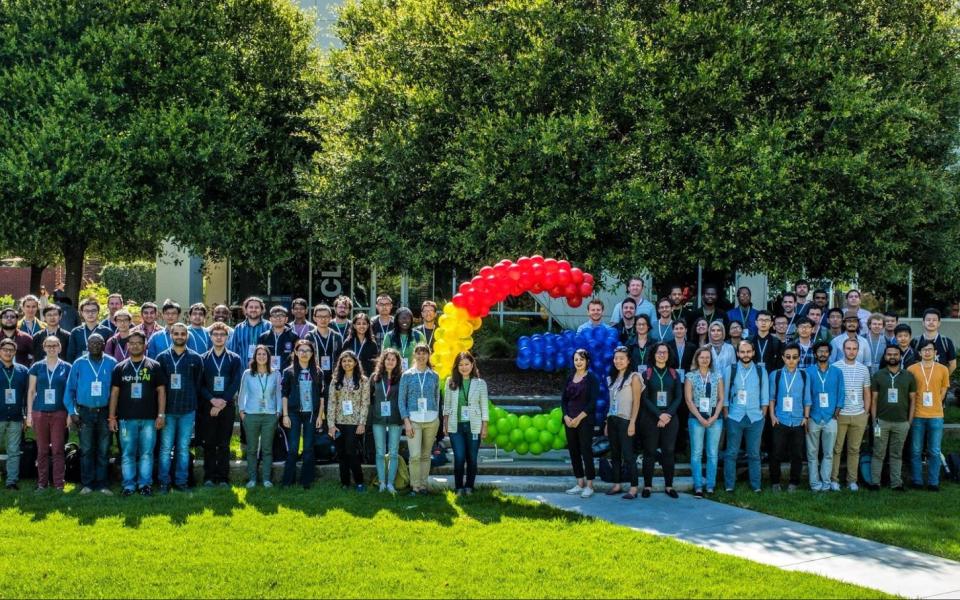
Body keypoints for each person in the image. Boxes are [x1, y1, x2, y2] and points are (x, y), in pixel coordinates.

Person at [108, 331, 166, 497]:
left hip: (149, 418)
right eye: (131, 343)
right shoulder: (120, 367)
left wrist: (161, 415)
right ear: (127, 346)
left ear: (145, 345)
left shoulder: (154, 366)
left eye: (139, 343)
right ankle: (128, 485)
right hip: (126, 419)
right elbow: (114, 394)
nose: (135, 345)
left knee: (147, 453)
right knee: (128, 453)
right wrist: (112, 417)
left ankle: (145, 485)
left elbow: (161, 391)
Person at [63, 333, 117, 494]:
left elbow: (117, 391)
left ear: (103, 344)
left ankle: (102, 484)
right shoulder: (79, 363)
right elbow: (69, 391)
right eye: (91, 343)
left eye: (98, 343)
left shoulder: (112, 363)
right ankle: (87, 484)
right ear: (87, 345)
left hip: (105, 412)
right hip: (84, 412)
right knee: (86, 449)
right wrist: (72, 412)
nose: (94, 346)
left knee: (103, 449)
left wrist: (114, 415)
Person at [155, 322, 203, 493]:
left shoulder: (196, 358)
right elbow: (158, 386)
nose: (180, 336)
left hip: (187, 410)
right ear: (171, 335)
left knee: (183, 448)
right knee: (166, 448)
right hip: (167, 410)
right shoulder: (161, 358)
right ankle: (164, 482)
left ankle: (181, 481)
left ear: (187, 336)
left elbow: (198, 383)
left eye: (183, 333)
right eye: (176, 333)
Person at [199, 322, 243, 487]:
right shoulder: (202, 358)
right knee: (209, 442)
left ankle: (223, 477)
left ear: (227, 337)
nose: (218, 337)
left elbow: (235, 382)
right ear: (210, 337)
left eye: (222, 335)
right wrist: (212, 400)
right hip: (208, 405)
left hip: (227, 405)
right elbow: (200, 384)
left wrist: (223, 401)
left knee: (224, 443)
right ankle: (209, 477)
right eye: (215, 334)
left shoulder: (234, 358)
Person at [723, 340, 769, 493]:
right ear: (737, 353)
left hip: (755, 417)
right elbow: (724, 395)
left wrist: (763, 413)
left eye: (748, 351)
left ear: (753, 352)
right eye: (742, 352)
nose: (745, 355)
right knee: (731, 453)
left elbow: (765, 395)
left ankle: (756, 485)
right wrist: (726, 414)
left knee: (754, 454)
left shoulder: (761, 370)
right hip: (735, 417)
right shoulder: (731, 369)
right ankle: (729, 485)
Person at [26, 336, 71, 491]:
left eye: (55, 345)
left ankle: (59, 483)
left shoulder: (67, 367)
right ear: (44, 347)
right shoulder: (36, 367)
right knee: (42, 449)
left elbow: (70, 392)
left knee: (58, 448)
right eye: (49, 345)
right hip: (40, 412)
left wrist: (70, 414)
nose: (52, 348)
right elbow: (31, 391)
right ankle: (42, 483)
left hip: (59, 412)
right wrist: (30, 414)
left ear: (60, 347)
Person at [869, 344, 916, 491]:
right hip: (881, 422)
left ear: (900, 356)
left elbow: (913, 400)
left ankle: (896, 483)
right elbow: (874, 400)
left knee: (896, 454)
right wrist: (874, 420)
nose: (893, 357)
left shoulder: (908, 376)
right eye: (889, 354)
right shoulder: (878, 375)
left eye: (896, 354)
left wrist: (909, 422)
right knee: (878, 453)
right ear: (885, 357)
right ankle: (875, 483)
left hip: (902, 422)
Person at [639, 343, 683, 498]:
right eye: (659, 352)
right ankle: (648, 486)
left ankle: (669, 486)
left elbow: (678, 397)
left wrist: (667, 415)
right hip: (650, 418)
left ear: (669, 355)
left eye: (665, 352)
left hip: (670, 418)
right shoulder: (647, 374)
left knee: (669, 452)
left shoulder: (674, 374)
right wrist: (659, 415)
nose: (662, 355)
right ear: (654, 354)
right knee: (649, 452)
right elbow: (644, 398)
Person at [443, 351, 489, 496]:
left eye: (466, 364)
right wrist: (445, 423)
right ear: (456, 366)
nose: (464, 367)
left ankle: (469, 486)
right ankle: (458, 487)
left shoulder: (480, 383)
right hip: (455, 426)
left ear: (472, 364)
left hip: (473, 426)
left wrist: (484, 426)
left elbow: (484, 407)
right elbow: (447, 405)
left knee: (472, 458)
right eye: (461, 365)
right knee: (459, 457)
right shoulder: (450, 381)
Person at [907, 338, 950, 491]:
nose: (927, 352)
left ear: (935, 352)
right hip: (918, 415)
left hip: (936, 415)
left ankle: (933, 482)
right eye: (924, 350)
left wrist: (936, 402)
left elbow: (944, 390)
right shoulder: (912, 369)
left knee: (934, 450)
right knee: (916, 450)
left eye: (930, 350)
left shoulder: (943, 369)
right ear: (919, 353)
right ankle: (917, 481)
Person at [398, 344, 441, 495]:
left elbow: (437, 397)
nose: (421, 356)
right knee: (415, 455)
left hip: (431, 420)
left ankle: (423, 485)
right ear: (414, 356)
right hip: (413, 421)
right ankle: (414, 486)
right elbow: (401, 400)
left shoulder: (434, 375)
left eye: (425, 353)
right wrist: (406, 422)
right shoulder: (407, 375)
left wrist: (436, 416)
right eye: (419, 353)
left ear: (429, 356)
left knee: (425, 455)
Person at [830, 337, 872, 492]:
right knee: (836, 448)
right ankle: (834, 480)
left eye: (854, 349)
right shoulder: (835, 367)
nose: (851, 351)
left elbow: (867, 392)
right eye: (848, 348)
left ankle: (851, 481)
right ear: (843, 349)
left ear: (858, 350)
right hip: (840, 415)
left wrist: (866, 413)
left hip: (859, 414)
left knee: (854, 449)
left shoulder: (863, 369)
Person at [281, 339, 323, 489]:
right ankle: (287, 481)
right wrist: (285, 415)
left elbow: (322, 395)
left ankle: (306, 481)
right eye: (301, 350)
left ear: (312, 354)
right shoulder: (289, 372)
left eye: (308, 351)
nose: (304, 353)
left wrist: (320, 416)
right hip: (293, 414)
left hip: (311, 414)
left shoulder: (318, 372)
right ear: (296, 353)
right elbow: (284, 395)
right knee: (293, 448)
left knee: (308, 448)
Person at [238, 345, 282, 488]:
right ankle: (252, 479)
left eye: (264, 354)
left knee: (267, 449)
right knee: (251, 448)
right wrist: (242, 411)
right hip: (251, 415)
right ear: (254, 357)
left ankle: (266, 479)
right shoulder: (247, 373)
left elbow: (278, 394)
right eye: (259, 354)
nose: (261, 357)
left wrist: (278, 412)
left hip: (270, 416)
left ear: (268, 357)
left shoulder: (275, 374)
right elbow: (242, 393)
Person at [768, 344, 810, 492]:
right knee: (776, 453)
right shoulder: (776, 374)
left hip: (798, 420)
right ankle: (775, 482)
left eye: (794, 357)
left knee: (797, 454)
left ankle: (794, 483)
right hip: (780, 419)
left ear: (799, 358)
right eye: (788, 357)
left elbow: (807, 399)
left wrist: (806, 416)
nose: (791, 360)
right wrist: (772, 415)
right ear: (783, 358)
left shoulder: (804, 375)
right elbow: (771, 398)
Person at [327, 350, 370, 491]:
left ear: (356, 362)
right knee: (342, 454)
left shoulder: (363, 380)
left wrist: (362, 423)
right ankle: (345, 482)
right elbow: (331, 403)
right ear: (340, 363)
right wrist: (331, 425)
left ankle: (359, 482)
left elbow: (365, 403)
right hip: (339, 423)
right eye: (344, 361)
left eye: (350, 360)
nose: (347, 363)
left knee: (352, 452)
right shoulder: (335, 380)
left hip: (355, 423)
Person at [805, 341, 845, 492]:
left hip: (830, 418)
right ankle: (815, 483)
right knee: (812, 453)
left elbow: (841, 393)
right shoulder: (808, 372)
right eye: (820, 351)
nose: (822, 354)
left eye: (825, 351)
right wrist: (807, 415)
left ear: (829, 353)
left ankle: (826, 482)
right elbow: (805, 395)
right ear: (815, 354)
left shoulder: (837, 372)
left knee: (828, 453)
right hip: (813, 417)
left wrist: (837, 412)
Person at [685, 346, 725, 497]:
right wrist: (701, 418)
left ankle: (710, 485)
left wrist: (715, 416)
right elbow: (689, 400)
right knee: (696, 453)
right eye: (702, 357)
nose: (705, 360)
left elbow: (721, 398)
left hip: (715, 418)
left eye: (707, 357)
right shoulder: (690, 376)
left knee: (712, 453)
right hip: (696, 418)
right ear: (697, 359)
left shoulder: (717, 376)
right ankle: (698, 486)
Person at [604, 347, 642, 499]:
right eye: (616, 358)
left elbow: (637, 403)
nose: (618, 361)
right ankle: (617, 484)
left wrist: (632, 423)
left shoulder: (634, 377)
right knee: (615, 454)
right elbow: (610, 402)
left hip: (626, 420)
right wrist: (607, 422)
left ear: (628, 360)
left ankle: (633, 487)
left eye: (621, 358)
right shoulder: (612, 378)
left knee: (628, 455)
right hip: (613, 420)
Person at [561, 349, 598, 498]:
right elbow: (564, 399)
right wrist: (565, 416)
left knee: (586, 451)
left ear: (587, 361)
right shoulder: (569, 377)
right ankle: (579, 482)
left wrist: (578, 418)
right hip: (569, 421)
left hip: (584, 421)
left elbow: (592, 403)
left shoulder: (592, 379)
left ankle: (589, 485)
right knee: (573, 451)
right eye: (576, 359)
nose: (578, 362)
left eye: (581, 359)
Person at [369, 348, 404, 493]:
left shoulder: (402, 377)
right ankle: (382, 482)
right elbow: (370, 398)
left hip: (396, 418)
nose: (390, 362)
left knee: (394, 452)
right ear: (383, 361)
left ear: (397, 362)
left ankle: (391, 483)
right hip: (378, 418)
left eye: (393, 359)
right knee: (379, 452)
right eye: (387, 359)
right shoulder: (375, 377)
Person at [0, 339, 29, 490]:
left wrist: (25, 415)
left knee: (14, 450)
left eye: (11, 350)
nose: (8, 352)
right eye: (5, 349)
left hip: (16, 416)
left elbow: (26, 396)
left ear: (15, 352)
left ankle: (11, 481)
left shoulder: (23, 371)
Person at [910, 308, 957, 375]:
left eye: (934, 320)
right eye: (928, 320)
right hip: (920, 382)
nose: (931, 322)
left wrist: (943, 378)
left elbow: (953, 364)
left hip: (939, 383)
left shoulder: (946, 342)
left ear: (939, 323)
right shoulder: (915, 341)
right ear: (923, 323)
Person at [308, 304, 344, 388]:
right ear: (314, 318)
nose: (323, 319)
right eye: (320, 316)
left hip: (334, 378)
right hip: (315, 377)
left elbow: (341, 357)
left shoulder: (337, 337)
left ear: (331, 318)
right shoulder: (309, 337)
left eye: (326, 316)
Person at [229, 296, 271, 368]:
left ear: (262, 310)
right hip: (243, 371)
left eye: (257, 307)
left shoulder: (269, 326)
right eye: (251, 307)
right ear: (246, 309)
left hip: (264, 371)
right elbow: (233, 351)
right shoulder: (238, 328)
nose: (253, 309)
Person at [259, 306, 298, 371]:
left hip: (287, 373)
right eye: (274, 316)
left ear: (286, 319)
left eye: (281, 315)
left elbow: (297, 357)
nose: (278, 318)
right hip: (268, 373)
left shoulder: (293, 336)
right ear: (270, 319)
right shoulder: (263, 337)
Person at [345, 312, 379, 377]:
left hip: (367, 377)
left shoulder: (372, 343)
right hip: (350, 375)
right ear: (354, 326)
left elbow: (375, 363)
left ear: (368, 325)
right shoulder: (348, 342)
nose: (361, 326)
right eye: (358, 324)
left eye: (364, 324)